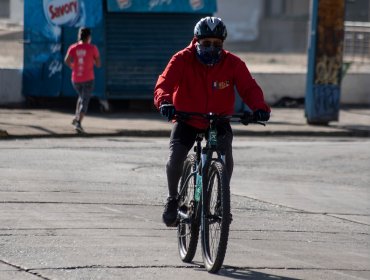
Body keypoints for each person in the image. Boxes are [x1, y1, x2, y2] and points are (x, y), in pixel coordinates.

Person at [154, 17, 271, 227]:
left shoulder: (233, 63)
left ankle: (221, 203)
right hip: (187, 118)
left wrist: (260, 108)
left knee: (225, 154)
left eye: (217, 44)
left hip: (218, 120)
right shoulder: (181, 59)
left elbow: (249, 88)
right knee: (176, 157)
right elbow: (164, 84)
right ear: (196, 41)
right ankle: (173, 199)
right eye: (206, 43)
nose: (211, 48)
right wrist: (164, 102)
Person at [64, 27, 101, 133]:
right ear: (89, 37)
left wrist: (73, 66)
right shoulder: (92, 48)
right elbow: (98, 64)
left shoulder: (73, 47)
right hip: (88, 78)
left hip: (75, 79)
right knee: (84, 100)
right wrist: (92, 61)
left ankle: (76, 118)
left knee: (81, 97)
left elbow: (67, 60)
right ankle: (79, 123)